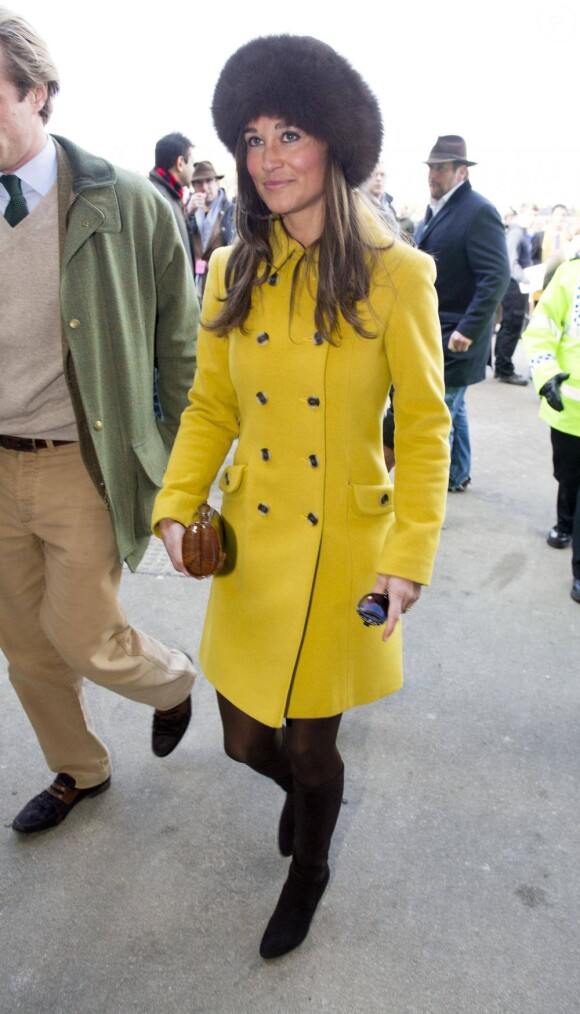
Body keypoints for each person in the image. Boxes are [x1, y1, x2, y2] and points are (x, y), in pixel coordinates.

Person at [153, 34, 450, 959]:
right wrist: (177, 502)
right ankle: (309, 804)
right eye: (252, 138)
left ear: (334, 144)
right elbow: (210, 404)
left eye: (290, 133)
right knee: (245, 742)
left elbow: (430, 429)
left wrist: (407, 562)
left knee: (314, 744)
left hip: (344, 552)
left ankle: (310, 865)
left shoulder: (399, 273)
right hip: (254, 541)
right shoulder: (236, 270)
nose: (269, 157)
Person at [0, 8, 198, 835]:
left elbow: (180, 345)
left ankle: (174, 682)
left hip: (85, 459)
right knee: (26, 649)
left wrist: (192, 478)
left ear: (38, 93)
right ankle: (79, 770)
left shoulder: (128, 203)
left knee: (82, 634)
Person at [415, 135, 510, 492]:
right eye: (431, 168)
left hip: (456, 334)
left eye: (440, 168)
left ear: (461, 172)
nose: (432, 175)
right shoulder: (437, 208)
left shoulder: (478, 210)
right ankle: (458, 474)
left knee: (439, 412)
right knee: (455, 405)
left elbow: (496, 275)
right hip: (438, 328)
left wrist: (467, 329)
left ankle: (432, 484)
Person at [522, 256, 580, 603]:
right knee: (568, 475)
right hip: (568, 407)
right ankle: (565, 522)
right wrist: (545, 378)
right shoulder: (571, 274)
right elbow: (541, 331)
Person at [493, 203, 536, 385]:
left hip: (515, 286)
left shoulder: (518, 232)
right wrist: (526, 279)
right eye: (531, 214)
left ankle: (503, 366)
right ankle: (504, 368)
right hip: (514, 286)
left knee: (509, 325)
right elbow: (511, 262)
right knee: (511, 325)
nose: (533, 218)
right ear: (522, 214)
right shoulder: (516, 233)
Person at [186, 160, 235, 297]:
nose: (204, 187)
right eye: (198, 183)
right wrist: (188, 213)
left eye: (208, 181)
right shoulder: (189, 208)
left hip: (221, 282)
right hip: (195, 281)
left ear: (217, 182)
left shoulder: (231, 210)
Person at [149, 132, 196, 272]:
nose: (194, 170)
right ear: (180, 163)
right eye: (193, 164)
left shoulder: (172, 196)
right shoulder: (158, 198)